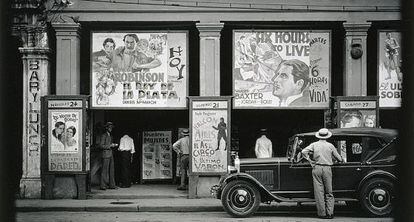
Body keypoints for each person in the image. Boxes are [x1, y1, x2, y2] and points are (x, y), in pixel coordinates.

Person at [301, 128, 343, 219]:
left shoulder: (314, 145)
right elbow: (339, 159)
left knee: (319, 192)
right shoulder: (330, 146)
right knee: (329, 191)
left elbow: (303, 151)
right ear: (327, 136)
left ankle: (322, 214)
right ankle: (330, 213)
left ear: (318, 135)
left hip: (317, 168)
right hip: (327, 168)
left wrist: (310, 161)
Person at [98, 122, 118, 190]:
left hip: (110, 154)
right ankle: (103, 185)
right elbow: (101, 145)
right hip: (105, 154)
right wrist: (110, 146)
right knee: (104, 170)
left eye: (111, 127)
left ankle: (112, 185)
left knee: (111, 170)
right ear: (106, 128)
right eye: (110, 127)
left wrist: (112, 145)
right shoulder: (104, 135)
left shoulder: (110, 136)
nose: (111, 129)